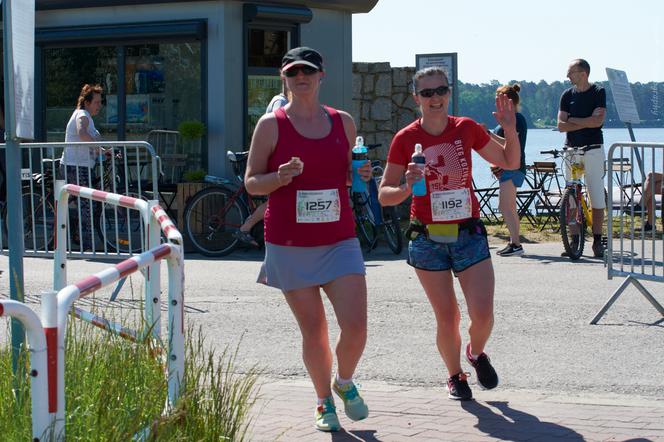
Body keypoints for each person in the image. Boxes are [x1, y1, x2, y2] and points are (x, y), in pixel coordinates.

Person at [245, 47, 372, 431]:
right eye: (294, 71)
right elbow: (252, 182)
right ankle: (323, 402)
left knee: (357, 326)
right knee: (314, 330)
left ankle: (344, 381)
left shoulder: (343, 122)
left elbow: (349, 177)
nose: (301, 77)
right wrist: (279, 177)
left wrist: (363, 173)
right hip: (289, 244)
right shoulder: (271, 124)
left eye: (308, 71)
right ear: (285, 77)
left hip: (339, 239)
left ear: (321, 76)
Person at [378, 67, 520, 400]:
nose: (435, 98)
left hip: (467, 232)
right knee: (448, 316)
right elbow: (385, 194)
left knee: (483, 313)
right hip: (427, 237)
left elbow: (510, 162)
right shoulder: (405, 139)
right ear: (416, 99)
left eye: (440, 90)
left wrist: (510, 130)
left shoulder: (465, 128)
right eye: (427, 93)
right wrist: (408, 186)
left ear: (448, 93)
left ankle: (476, 352)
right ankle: (455, 375)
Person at [557, 59, 607, 258]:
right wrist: (587, 122)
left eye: (572, 72)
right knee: (571, 196)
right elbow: (561, 125)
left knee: (596, 194)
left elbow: (598, 121)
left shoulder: (598, 92)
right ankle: (575, 239)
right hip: (572, 150)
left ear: (584, 73)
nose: (568, 76)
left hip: (593, 149)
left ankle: (597, 240)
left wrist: (574, 121)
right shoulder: (566, 95)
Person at [235, 81, 290, 247]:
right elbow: (279, 133)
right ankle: (246, 227)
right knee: (275, 201)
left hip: (277, 164)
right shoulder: (280, 102)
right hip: (274, 165)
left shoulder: (281, 101)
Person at [60, 84, 105, 249]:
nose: (99, 105)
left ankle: (77, 235)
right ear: (86, 102)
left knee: (83, 201)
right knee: (87, 204)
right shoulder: (82, 114)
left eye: (100, 102)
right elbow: (82, 133)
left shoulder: (87, 116)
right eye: (97, 102)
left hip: (81, 166)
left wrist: (105, 152)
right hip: (75, 166)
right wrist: (99, 148)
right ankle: (87, 245)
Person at [487, 84, 528, 256]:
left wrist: (488, 135)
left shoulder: (516, 119)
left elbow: (508, 144)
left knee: (504, 207)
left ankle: (516, 244)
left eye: (499, 98)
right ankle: (514, 242)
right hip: (511, 168)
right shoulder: (515, 118)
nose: (496, 102)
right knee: (510, 207)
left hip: (512, 168)